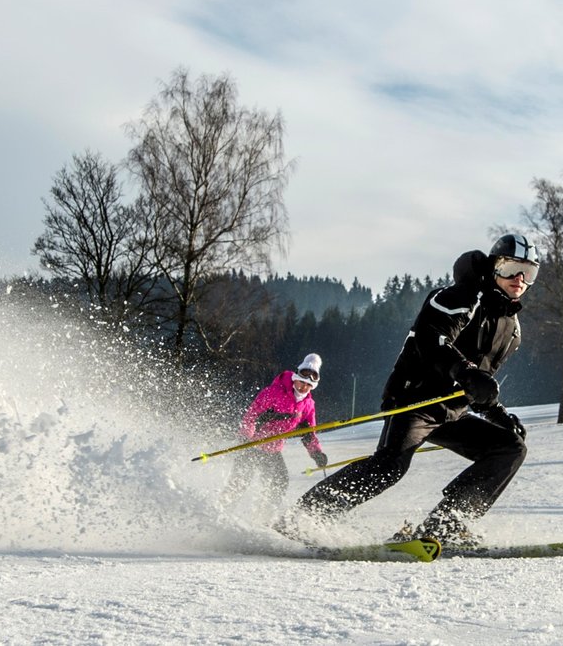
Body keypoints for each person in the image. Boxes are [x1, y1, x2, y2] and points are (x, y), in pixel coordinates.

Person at [276, 234, 536, 547]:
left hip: (451, 411)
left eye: (528, 272)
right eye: (511, 268)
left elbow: (480, 382)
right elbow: (430, 338)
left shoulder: (513, 330)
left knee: (510, 448)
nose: (519, 279)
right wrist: (464, 371)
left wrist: (497, 413)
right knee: (389, 467)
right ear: (495, 267)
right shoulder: (462, 296)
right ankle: (305, 515)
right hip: (415, 398)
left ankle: (445, 526)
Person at [220, 353, 328, 518]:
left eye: (308, 385)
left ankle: (264, 516)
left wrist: (316, 453)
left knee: (279, 482)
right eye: (301, 382)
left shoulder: (308, 406)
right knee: (240, 481)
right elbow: (252, 415)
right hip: (252, 445)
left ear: (313, 387)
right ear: (295, 378)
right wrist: (245, 436)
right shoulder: (273, 392)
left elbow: (309, 434)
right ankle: (220, 512)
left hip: (273, 449)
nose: (303, 387)